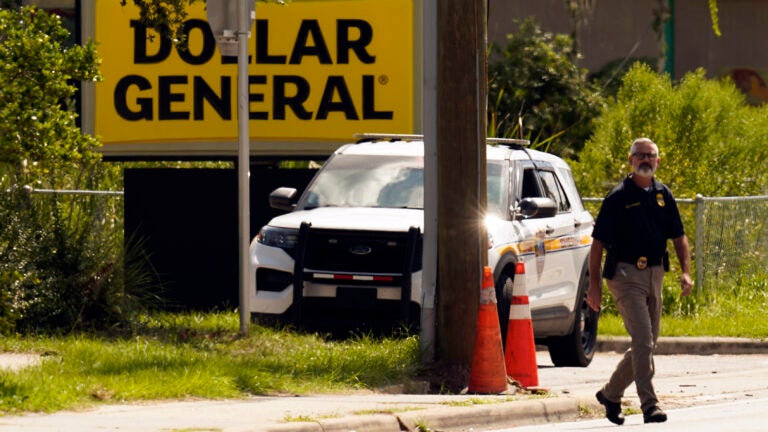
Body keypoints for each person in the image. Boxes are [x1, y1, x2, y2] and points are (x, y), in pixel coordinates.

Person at [586, 137, 694, 425]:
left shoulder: (663, 194)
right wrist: (593, 286)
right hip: (624, 275)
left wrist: (686, 271)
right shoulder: (618, 196)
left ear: (658, 161)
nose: (646, 160)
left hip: (655, 273)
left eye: (651, 156)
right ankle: (649, 404)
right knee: (644, 340)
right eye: (640, 155)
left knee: (646, 344)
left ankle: (610, 394)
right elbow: (597, 245)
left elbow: (679, 237)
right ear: (631, 160)